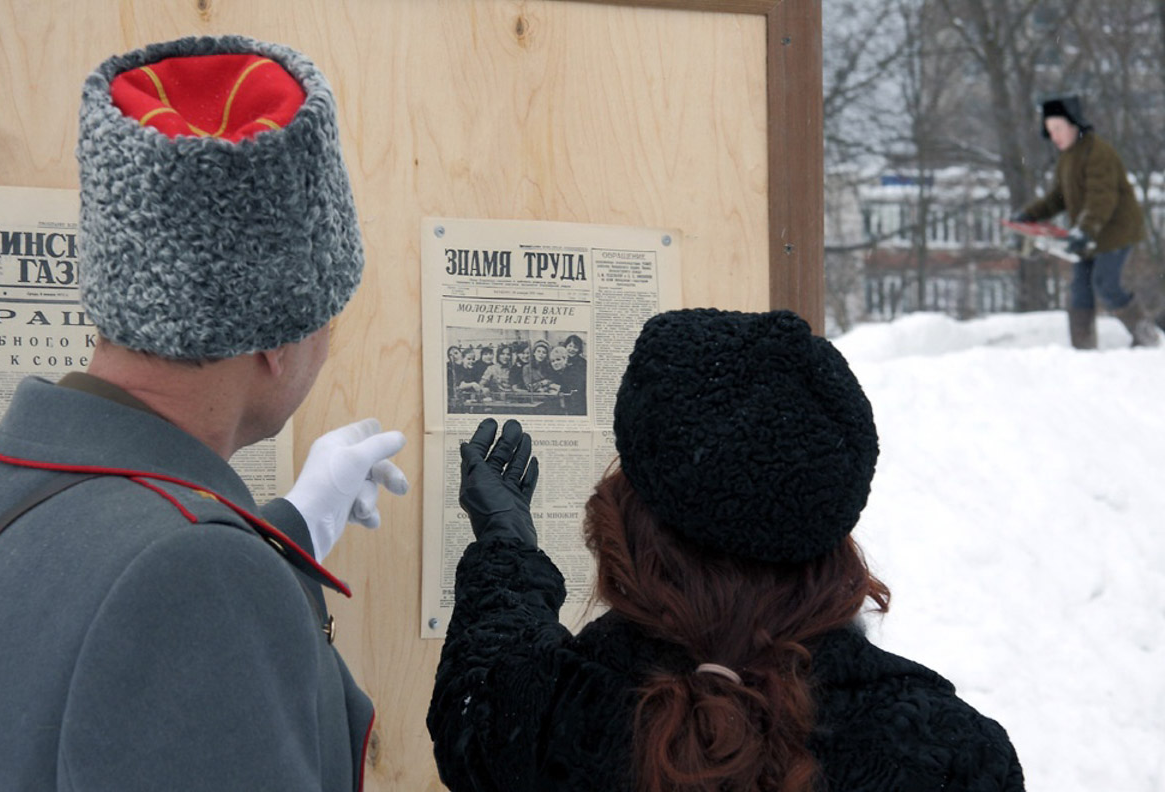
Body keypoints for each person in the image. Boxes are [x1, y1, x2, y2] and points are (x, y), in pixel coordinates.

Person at [0, 35, 410, 791]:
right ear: (277, 336)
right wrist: (235, 564)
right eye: (331, 314)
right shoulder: (197, 582)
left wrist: (290, 532)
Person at [428, 308, 1025, 792]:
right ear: (829, 533)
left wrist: (505, 542)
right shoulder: (950, 756)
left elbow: (479, 689)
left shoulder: (543, 721)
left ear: (628, 526)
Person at [1013, 94, 1160, 348]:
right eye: (1050, 130)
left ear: (1074, 124)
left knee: (1104, 284)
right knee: (1080, 289)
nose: (1054, 136)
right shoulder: (1067, 157)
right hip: (1088, 232)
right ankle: (1082, 348)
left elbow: (1101, 198)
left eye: (1058, 128)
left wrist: (1085, 230)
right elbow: (1058, 197)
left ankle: (1148, 337)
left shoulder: (1097, 153)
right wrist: (1031, 214)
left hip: (1116, 230)